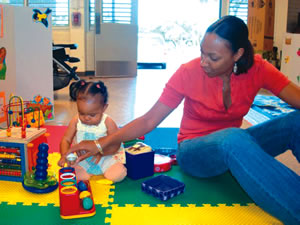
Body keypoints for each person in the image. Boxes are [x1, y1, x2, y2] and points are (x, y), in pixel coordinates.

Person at [67, 16, 300, 224]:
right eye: (202, 52)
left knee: (295, 123)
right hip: (194, 152)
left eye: (213, 57)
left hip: (234, 146)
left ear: (238, 54)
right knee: (234, 137)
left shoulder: (258, 68)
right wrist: (100, 143)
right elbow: (149, 120)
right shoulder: (188, 72)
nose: (203, 62)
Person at [58, 79, 127, 182]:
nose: (86, 118)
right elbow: (66, 139)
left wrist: (101, 153)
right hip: (82, 160)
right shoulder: (76, 120)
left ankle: (112, 169)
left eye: (92, 115)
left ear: (104, 108)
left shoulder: (108, 122)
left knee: (116, 175)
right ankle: (82, 172)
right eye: (82, 113)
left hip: (105, 157)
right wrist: (65, 155)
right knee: (72, 174)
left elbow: (115, 144)